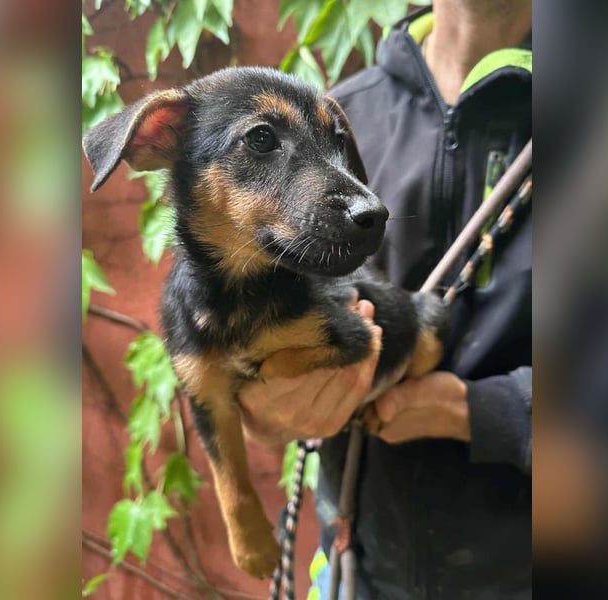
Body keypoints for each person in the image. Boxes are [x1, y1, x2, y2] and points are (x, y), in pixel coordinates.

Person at [239, 1, 532, 597]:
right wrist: (265, 409)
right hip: (357, 569)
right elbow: (260, 344)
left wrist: (482, 411)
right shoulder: (331, 124)